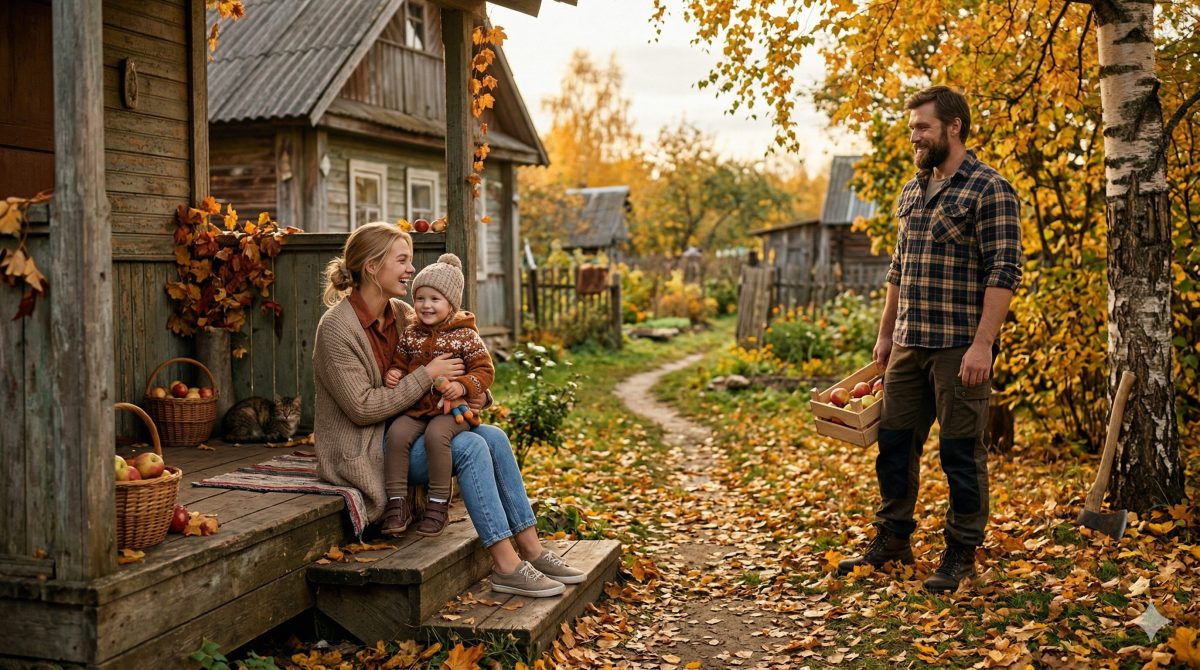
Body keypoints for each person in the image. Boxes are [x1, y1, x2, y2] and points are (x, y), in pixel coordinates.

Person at [313, 222, 584, 597]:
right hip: (367, 446)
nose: (411, 270)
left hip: (413, 429)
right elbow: (361, 408)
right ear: (372, 267)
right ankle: (505, 565)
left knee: (494, 436)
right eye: (402, 260)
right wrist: (427, 375)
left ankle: (533, 549)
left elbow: (457, 367)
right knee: (471, 447)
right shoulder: (336, 329)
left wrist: (471, 395)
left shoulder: (403, 311)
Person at [836, 86, 1023, 593]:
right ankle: (893, 539)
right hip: (907, 344)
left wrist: (983, 344)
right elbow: (898, 269)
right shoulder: (913, 189)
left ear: (953, 127)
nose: (913, 136)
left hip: (959, 348)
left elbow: (1004, 272)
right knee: (894, 446)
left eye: (922, 127)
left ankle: (961, 552)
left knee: (960, 452)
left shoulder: (991, 190)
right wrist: (884, 336)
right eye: (912, 127)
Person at [380, 252, 493, 538]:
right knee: (396, 434)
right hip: (418, 407)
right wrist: (394, 373)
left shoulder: (465, 335)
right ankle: (396, 502)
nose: (426, 306)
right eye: (420, 298)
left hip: (453, 410)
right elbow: (401, 363)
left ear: (451, 304)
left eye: (435, 299)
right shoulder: (411, 334)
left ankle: (438, 503)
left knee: (436, 436)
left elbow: (484, 371)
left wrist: (464, 385)